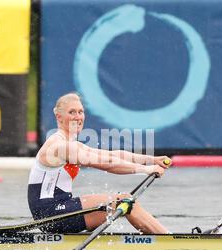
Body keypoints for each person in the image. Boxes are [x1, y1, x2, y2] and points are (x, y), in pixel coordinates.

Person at [27, 92, 171, 234]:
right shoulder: (59, 146)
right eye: (72, 112)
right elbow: (108, 163)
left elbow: (111, 154)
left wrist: (152, 160)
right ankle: (168, 239)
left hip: (60, 209)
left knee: (125, 200)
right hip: (51, 214)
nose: (78, 117)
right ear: (59, 117)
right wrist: (146, 170)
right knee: (125, 201)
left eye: (80, 112)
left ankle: (164, 237)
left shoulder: (70, 143)